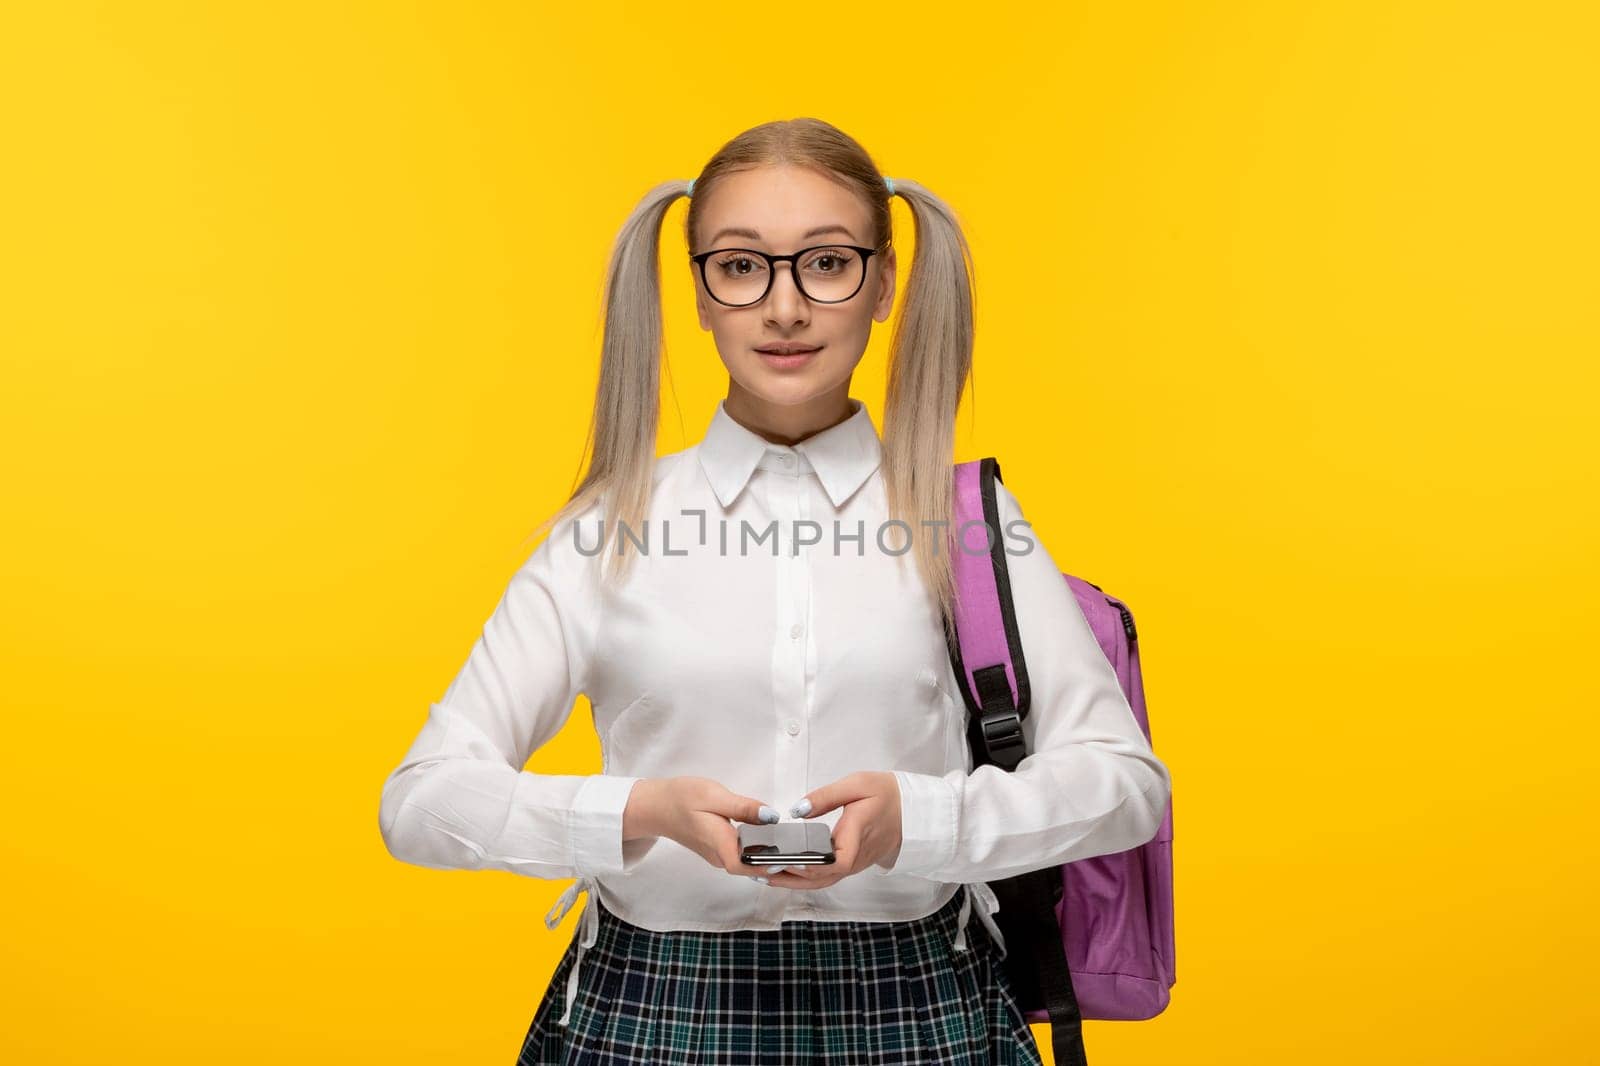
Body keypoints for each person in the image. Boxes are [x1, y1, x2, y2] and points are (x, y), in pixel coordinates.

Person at [378, 117, 1172, 1065]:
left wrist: (921, 822)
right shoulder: (605, 530)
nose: (785, 308)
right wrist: (637, 815)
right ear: (702, 294)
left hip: (920, 1007)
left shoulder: (968, 522)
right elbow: (421, 799)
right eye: (744, 267)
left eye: (827, 263)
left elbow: (1124, 785)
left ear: (882, 285)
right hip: (651, 1011)